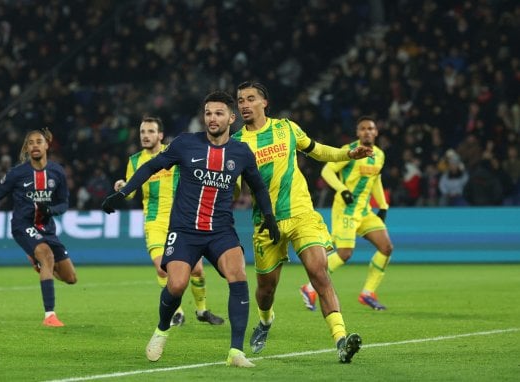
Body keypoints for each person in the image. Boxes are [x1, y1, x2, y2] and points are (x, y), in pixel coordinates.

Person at [101, 91, 280, 368]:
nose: (212, 118)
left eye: (219, 113)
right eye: (208, 113)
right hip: (185, 229)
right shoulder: (186, 143)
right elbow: (151, 167)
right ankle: (162, 329)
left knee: (238, 275)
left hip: (220, 229)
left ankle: (235, 351)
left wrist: (269, 216)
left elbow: (257, 185)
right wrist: (123, 192)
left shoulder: (240, 152)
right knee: (176, 284)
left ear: (231, 118)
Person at [232, 81, 372, 363]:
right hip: (266, 223)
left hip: (302, 214)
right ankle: (266, 320)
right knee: (266, 289)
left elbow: (318, 150)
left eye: (250, 99)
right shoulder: (235, 143)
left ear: (264, 103)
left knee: (319, 273)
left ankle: (341, 340)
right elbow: (235, 186)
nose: (244, 105)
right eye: (240, 100)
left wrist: (348, 153)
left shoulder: (286, 128)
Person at [113, 116, 224, 326]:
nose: (145, 136)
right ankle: (177, 312)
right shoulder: (135, 161)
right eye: (142, 132)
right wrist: (122, 188)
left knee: (197, 270)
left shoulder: (173, 153)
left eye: (150, 131)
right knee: (162, 269)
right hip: (154, 223)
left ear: (160, 135)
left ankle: (201, 311)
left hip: (182, 220)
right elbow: (130, 193)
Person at [0, 128, 77, 327]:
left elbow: (64, 204)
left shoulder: (57, 172)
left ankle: (40, 263)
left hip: (47, 228)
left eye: (38, 142)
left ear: (46, 145)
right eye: (31, 143)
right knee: (47, 255)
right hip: (22, 225)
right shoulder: (17, 173)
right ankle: (49, 316)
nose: (35, 145)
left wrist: (50, 211)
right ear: (27, 148)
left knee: (70, 278)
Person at [299, 116, 394, 312]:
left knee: (386, 247)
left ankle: (367, 293)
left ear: (376, 132)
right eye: (363, 128)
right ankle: (309, 288)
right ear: (357, 133)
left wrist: (383, 205)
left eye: (371, 128)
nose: (367, 131)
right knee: (344, 253)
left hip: (364, 211)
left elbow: (375, 179)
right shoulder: (349, 151)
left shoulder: (379, 155)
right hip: (345, 210)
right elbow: (327, 171)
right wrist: (343, 190)